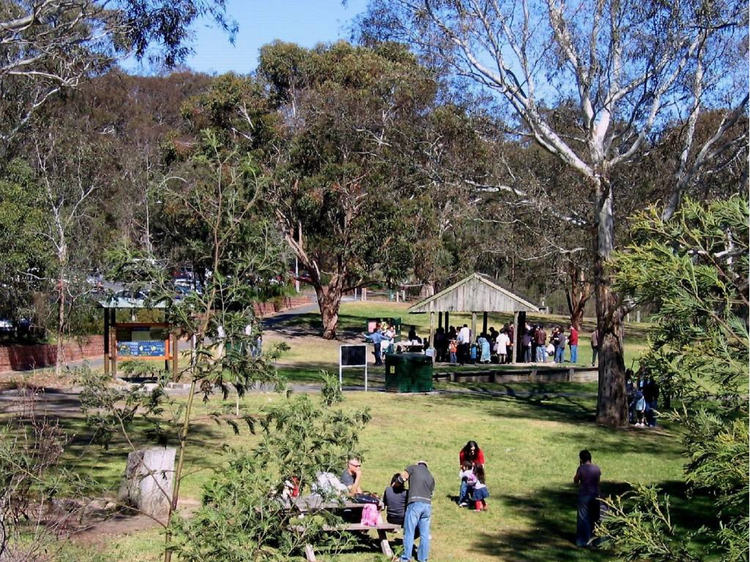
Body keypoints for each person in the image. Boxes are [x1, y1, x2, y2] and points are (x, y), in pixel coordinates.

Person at [397, 461, 435, 562]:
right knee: (425, 534)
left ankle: (405, 557)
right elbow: (431, 492)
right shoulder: (430, 476)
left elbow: (402, 478)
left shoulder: (412, 468)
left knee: (409, 531)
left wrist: (396, 484)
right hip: (427, 505)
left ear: (419, 464)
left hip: (415, 503)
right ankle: (423, 558)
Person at [574, 450, 601, 547]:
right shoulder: (597, 469)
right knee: (595, 518)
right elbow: (598, 482)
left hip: (584, 496)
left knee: (583, 518)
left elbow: (576, 480)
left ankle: (584, 541)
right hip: (595, 496)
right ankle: (597, 541)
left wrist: (580, 466)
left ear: (581, 459)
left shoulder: (581, 469)